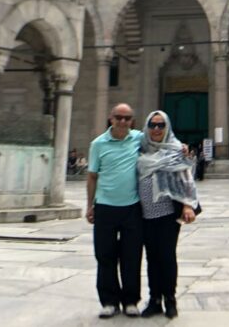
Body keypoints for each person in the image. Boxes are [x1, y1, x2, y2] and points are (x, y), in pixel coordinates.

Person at [137, 110, 199, 319]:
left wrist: (188, 206)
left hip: (167, 215)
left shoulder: (175, 150)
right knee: (152, 258)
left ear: (167, 127)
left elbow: (186, 179)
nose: (156, 129)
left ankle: (170, 300)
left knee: (166, 256)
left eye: (161, 125)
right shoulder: (141, 150)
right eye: (153, 125)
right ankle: (154, 300)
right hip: (145, 215)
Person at [87, 102, 145, 319]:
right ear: (110, 118)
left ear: (132, 121)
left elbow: (163, 138)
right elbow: (92, 176)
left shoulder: (139, 138)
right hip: (105, 207)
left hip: (132, 208)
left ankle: (131, 301)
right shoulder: (98, 144)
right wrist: (90, 205)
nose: (123, 122)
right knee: (105, 256)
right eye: (119, 117)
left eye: (127, 118)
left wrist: (182, 147)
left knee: (132, 256)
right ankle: (109, 301)